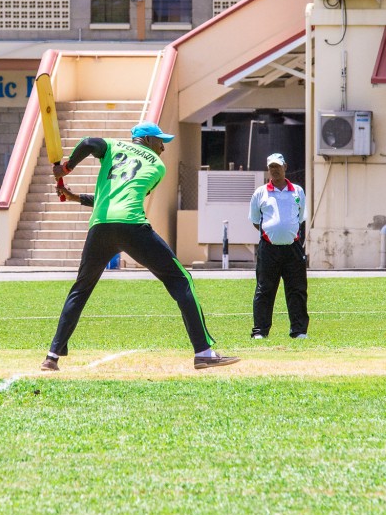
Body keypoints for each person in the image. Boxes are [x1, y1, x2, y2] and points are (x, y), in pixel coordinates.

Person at [41, 122, 239, 371]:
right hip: (132, 226)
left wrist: (67, 169)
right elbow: (128, 197)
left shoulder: (113, 146)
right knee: (181, 280)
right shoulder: (157, 166)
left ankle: (52, 356)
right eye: (160, 141)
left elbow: (89, 143)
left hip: (100, 227)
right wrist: (72, 189)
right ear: (146, 139)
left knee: (81, 289)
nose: (163, 148)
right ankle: (203, 352)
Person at [248, 153, 308, 340]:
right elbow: (256, 221)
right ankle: (260, 331)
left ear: (285, 167)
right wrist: (272, 232)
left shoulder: (297, 191)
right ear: (268, 169)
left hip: (293, 248)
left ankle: (299, 331)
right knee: (264, 290)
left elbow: (300, 217)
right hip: (269, 249)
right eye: (271, 167)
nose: (274, 170)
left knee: (297, 289)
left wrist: (286, 230)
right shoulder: (260, 193)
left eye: (278, 166)